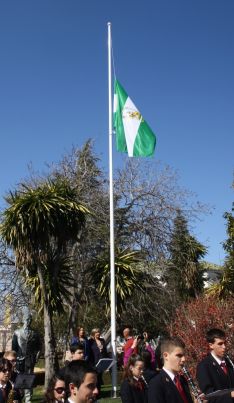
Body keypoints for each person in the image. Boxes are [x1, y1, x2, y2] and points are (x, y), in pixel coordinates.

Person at [148, 337, 193, 403]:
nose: (184, 359)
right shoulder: (156, 384)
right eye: (179, 355)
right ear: (166, 356)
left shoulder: (182, 380)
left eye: (183, 355)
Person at [196, 328, 234, 403]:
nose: (224, 347)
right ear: (211, 345)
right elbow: (208, 396)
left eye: (225, 343)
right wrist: (230, 395)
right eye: (220, 344)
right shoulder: (204, 367)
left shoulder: (229, 362)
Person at [12, 314, 41, 403]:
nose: (28, 321)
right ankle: (18, 398)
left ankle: (28, 400)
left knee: (29, 380)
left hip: (30, 360)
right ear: (23, 320)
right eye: (27, 319)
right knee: (19, 379)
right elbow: (14, 348)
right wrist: (14, 359)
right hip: (19, 360)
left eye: (30, 320)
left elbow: (39, 347)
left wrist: (36, 357)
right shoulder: (17, 332)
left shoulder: (34, 333)